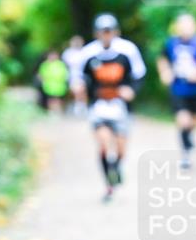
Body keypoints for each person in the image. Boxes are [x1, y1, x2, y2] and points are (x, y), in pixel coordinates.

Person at [80, 13, 146, 201]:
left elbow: (139, 75)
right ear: (97, 33)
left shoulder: (127, 51)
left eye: (109, 31)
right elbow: (79, 77)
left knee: (120, 147)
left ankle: (116, 168)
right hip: (99, 106)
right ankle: (108, 183)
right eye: (102, 32)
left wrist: (131, 90)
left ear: (116, 32)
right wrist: (80, 90)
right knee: (102, 142)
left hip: (121, 107)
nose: (106, 35)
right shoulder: (89, 53)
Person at [157, 14, 196, 168]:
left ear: (194, 27)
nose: (185, 29)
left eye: (188, 26)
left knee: (194, 121)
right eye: (182, 26)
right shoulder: (171, 43)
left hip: (195, 89)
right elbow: (162, 59)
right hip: (178, 88)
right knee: (183, 120)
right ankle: (185, 154)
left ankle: (189, 138)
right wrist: (165, 72)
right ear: (177, 27)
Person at [62, 35, 88, 117]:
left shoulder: (85, 51)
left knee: (82, 90)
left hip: (83, 75)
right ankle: (75, 105)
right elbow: (65, 65)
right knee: (73, 92)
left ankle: (81, 106)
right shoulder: (67, 53)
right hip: (72, 75)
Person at [36, 49, 69, 114]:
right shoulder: (45, 64)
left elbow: (64, 74)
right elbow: (40, 75)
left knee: (58, 99)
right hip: (49, 85)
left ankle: (58, 111)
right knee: (50, 99)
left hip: (59, 85)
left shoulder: (61, 64)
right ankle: (51, 111)